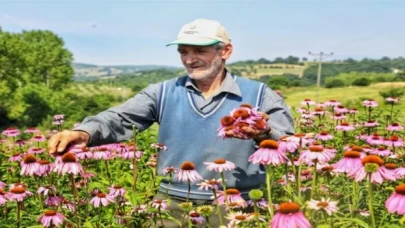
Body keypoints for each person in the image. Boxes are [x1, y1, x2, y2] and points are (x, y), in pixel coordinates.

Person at [48, 18, 294, 226]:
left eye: (200, 51)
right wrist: (82, 133)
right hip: (172, 206)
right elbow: (119, 118)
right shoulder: (164, 92)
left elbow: (290, 145)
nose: (190, 59)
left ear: (225, 51)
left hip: (237, 206)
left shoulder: (259, 95)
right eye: (183, 52)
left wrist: (263, 133)